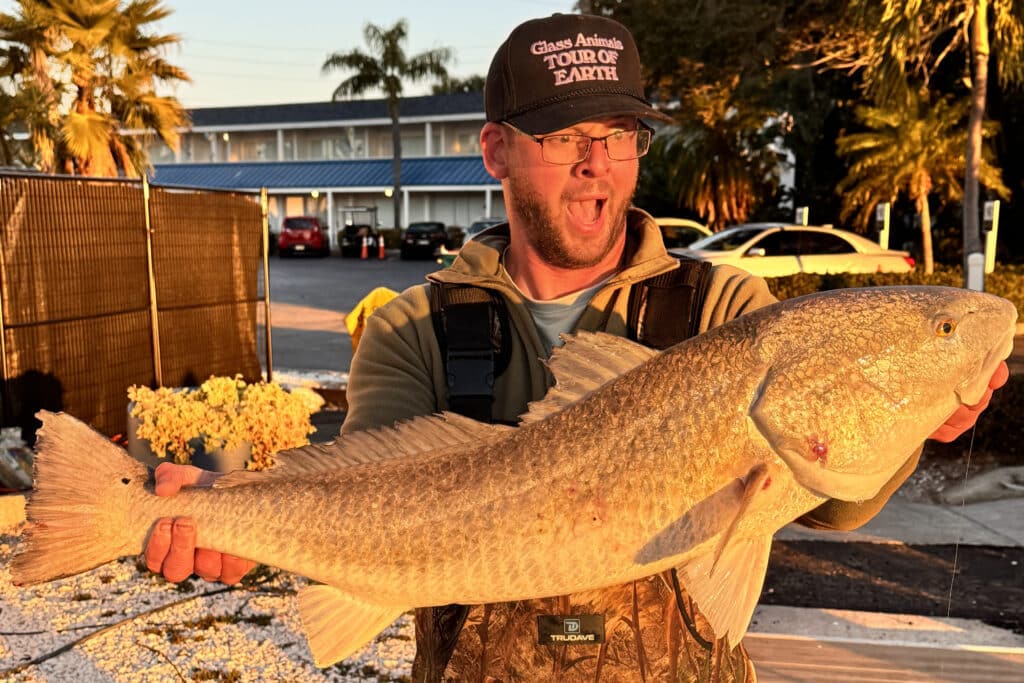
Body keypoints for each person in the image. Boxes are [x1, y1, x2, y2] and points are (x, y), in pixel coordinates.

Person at [145, 12, 1010, 682]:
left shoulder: (729, 307)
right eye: (563, 136)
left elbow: (835, 502)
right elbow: (369, 494)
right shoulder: (413, 323)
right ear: (496, 150)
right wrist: (227, 514)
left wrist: (919, 423)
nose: (598, 163)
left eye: (621, 134)